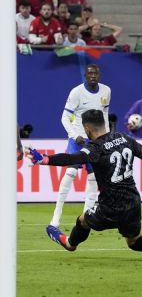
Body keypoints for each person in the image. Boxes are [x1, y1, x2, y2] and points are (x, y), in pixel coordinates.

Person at [26, 109, 142, 261]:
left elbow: (72, 158)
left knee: (83, 220)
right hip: (133, 202)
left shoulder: (95, 148)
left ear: (87, 128)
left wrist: (44, 159)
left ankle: (69, 243)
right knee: (133, 241)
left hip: (110, 206)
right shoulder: (125, 139)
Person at [50, 64, 111, 228]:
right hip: (77, 139)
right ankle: (56, 216)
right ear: (85, 75)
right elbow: (64, 117)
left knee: (92, 177)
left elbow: (104, 114)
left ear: (99, 75)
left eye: (95, 73)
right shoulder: (76, 92)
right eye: (90, 73)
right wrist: (74, 135)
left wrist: (105, 136)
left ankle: (86, 218)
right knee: (70, 172)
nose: (93, 75)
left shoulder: (106, 91)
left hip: (95, 140)